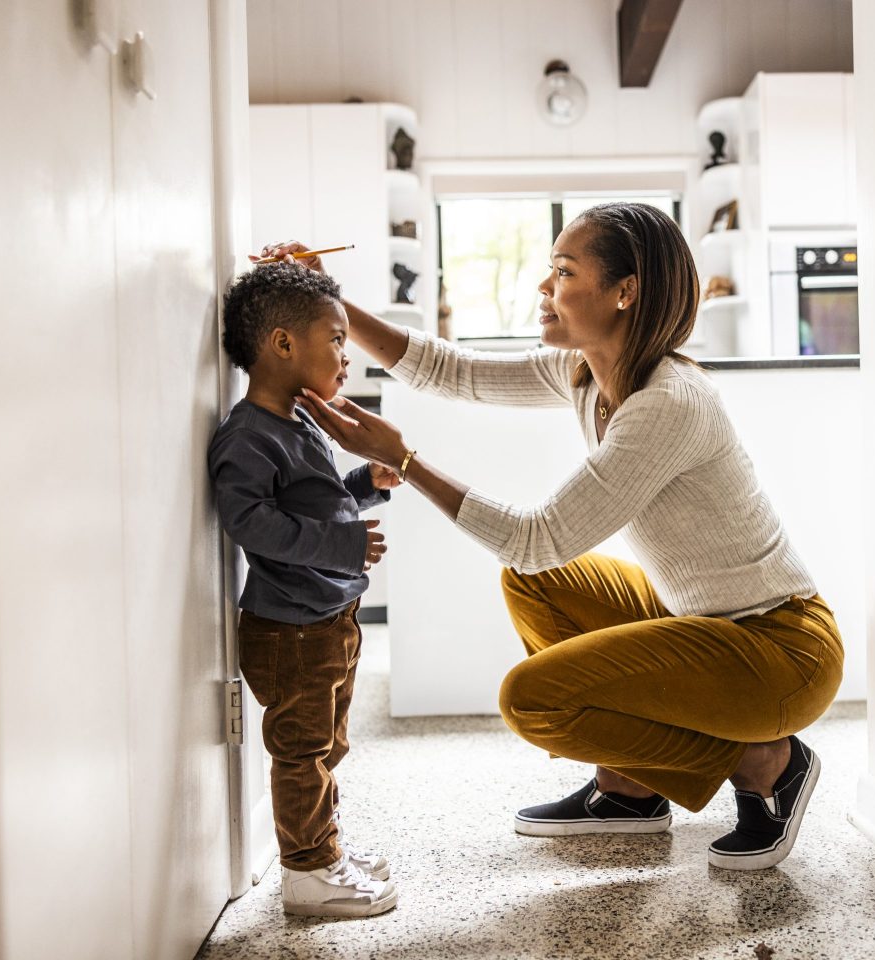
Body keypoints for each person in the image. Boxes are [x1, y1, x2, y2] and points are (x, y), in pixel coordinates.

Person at [261, 201, 843, 872]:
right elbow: (453, 371)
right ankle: (632, 786)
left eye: (563, 271)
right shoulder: (588, 374)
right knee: (534, 582)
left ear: (624, 292)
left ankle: (768, 762)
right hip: (708, 627)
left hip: (780, 653)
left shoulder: (668, 403)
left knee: (532, 699)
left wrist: (409, 463)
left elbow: (539, 537)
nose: (543, 288)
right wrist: (329, 301)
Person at [207, 264, 401, 916]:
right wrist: (345, 545)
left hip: (325, 619)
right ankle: (308, 873)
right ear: (284, 344)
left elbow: (313, 512)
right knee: (303, 752)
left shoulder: (296, 423)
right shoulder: (247, 436)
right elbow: (252, 526)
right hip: (290, 629)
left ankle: (326, 847)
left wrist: (363, 488)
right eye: (337, 338)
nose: (347, 355)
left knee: (327, 746)